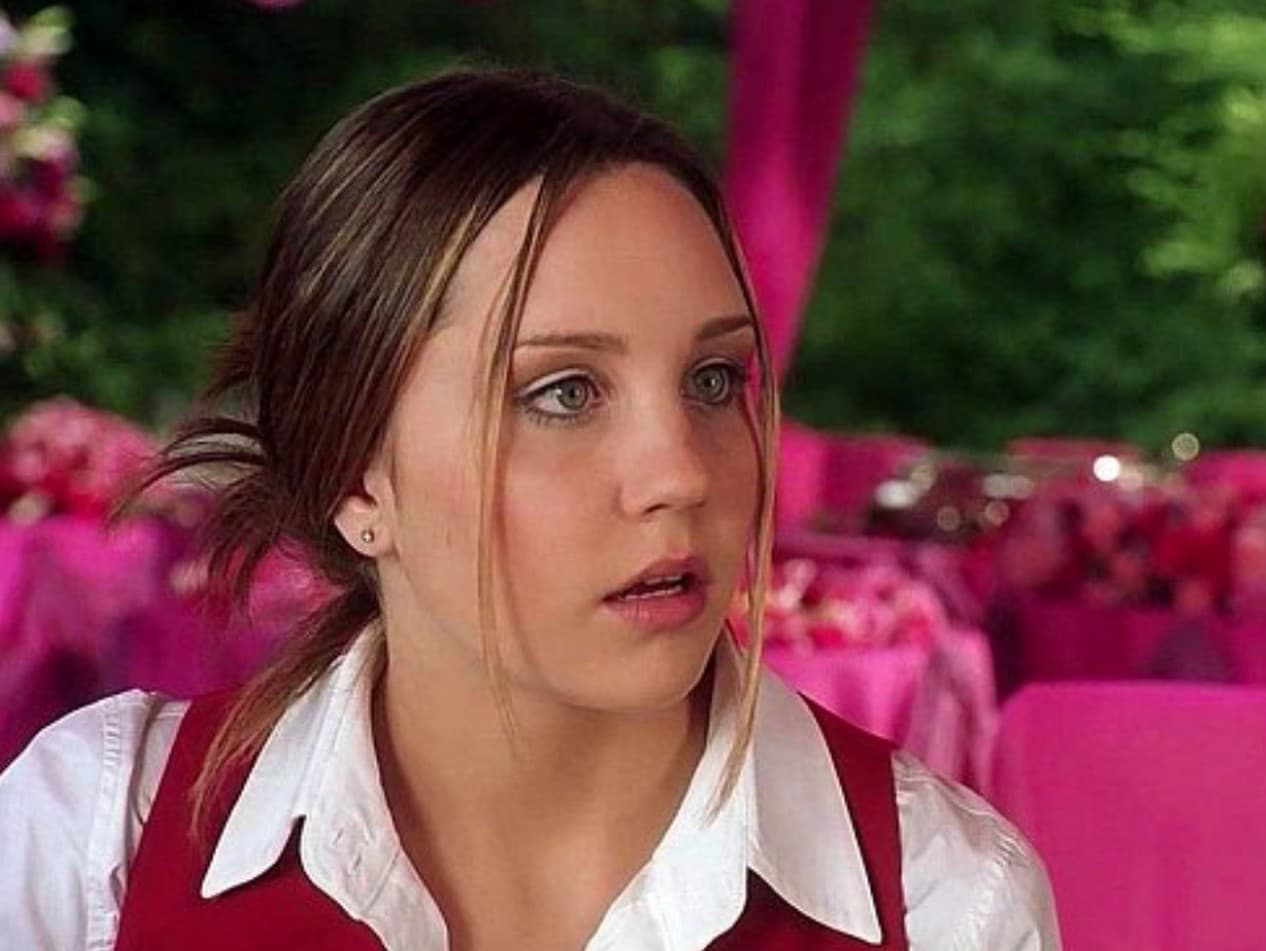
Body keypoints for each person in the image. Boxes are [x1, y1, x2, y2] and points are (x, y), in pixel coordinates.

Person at [0, 67, 1060, 950]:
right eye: (562, 393)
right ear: (354, 478)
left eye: (712, 380)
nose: (681, 474)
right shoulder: (89, 850)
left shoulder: (946, 905)